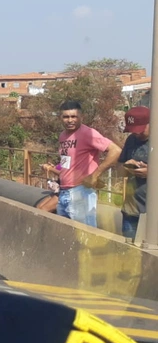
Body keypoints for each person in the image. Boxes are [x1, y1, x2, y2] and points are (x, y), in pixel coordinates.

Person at [55, 100, 121, 229]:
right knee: (65, 233)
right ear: (60, 118)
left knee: (85, 234)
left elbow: (116, 150)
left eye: (74, 116)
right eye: (66, 117)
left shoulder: (88, 133)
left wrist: (95, 175)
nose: (70, 120)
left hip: (80, 191)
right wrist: (55, 169)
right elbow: (66, 161)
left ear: (81, 117)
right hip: (64, 191)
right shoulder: (63, 136)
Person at [118, 106, 149, 240]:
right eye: (133, 130)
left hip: (153, 213)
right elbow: (119, 170)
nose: (136, 134)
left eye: (140, 130)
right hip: (132, 210)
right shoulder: (131, 140)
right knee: (128, 254)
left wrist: (151, 173)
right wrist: (127, 167)